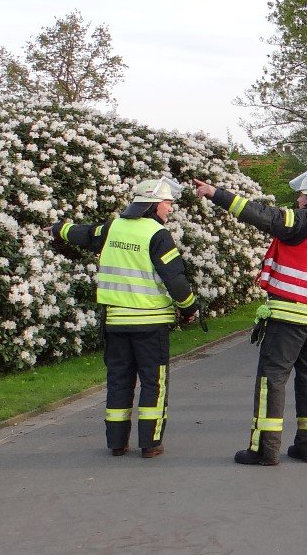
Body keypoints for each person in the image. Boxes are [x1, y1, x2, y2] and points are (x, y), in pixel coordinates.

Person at [193, 170, 307, 464]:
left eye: (300, 196)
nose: (297, 200)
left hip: (288, 315)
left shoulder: (304, 220)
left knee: (272, 379)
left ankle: (265, 449)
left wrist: (216, 194)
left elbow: (261, 216)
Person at [51, 177, 199, 458]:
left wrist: (60, 229)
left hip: (116, 324)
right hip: (150, 324)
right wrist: (190, 308)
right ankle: (150, 443)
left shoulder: (113, 227)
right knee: (153, 383)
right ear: (154, 205)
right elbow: (175, 278)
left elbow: (84, 234)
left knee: (119, 380)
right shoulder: (157, 234)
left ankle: (117, 443)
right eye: (167, 203)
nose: (170, 209)